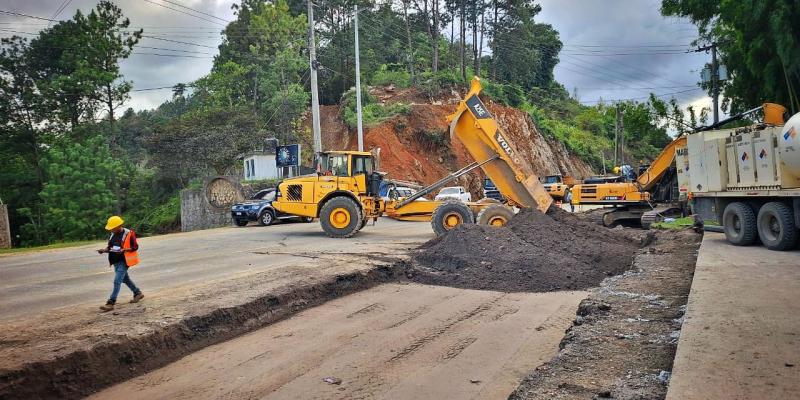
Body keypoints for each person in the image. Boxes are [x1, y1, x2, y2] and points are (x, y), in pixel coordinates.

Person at [97, 216, 143, 311]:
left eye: (112, 228)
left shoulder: (129, 233)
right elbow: (110, 247)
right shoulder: (112, 234)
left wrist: (124, 250)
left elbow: (135, 247)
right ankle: (137, 293)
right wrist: (104, 250)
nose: (111, 230)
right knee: (125, 279)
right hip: (116, 261)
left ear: (119, 226)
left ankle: (111, 302)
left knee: (117, 281)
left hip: (124, 261)